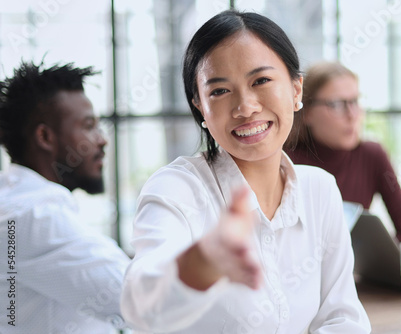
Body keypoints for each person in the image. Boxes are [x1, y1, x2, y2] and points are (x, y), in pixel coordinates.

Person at [121, 10, 371, 334]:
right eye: (220, 91)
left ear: (297, 91)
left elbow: (343, 318)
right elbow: (139, 306)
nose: (246, 107)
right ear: (200, 107)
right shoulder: (176, 189)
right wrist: (197, 267)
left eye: (261, 81)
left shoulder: (320, 189)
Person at [0, 61, 130, 333]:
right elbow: (140, 296)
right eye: (88, 125)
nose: (102, 140)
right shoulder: (34, 216)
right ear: (45, 137)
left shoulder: (17, 202)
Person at [286, 61, 401, 242]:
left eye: (355, 101)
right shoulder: (284, 159)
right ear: (306, 112)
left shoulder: (372, 155)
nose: (352, 115)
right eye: (336, 104)